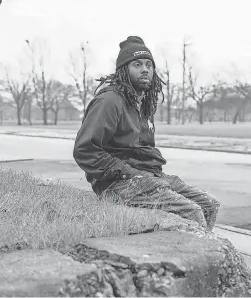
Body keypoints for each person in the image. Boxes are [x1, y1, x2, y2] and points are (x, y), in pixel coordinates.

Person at [73, 36, 220, 230]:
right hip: (117, 183)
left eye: (149, 64)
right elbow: (85, 150)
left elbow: (142, 151)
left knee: (209, 205)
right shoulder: (109, 101)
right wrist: (127, 173)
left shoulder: (143, 104)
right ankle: (193, 255)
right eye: (137, 64)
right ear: (124, 70)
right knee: (191, 211)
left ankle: (202, 249)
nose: (145, 69)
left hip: (148, 176)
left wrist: (150, 176)